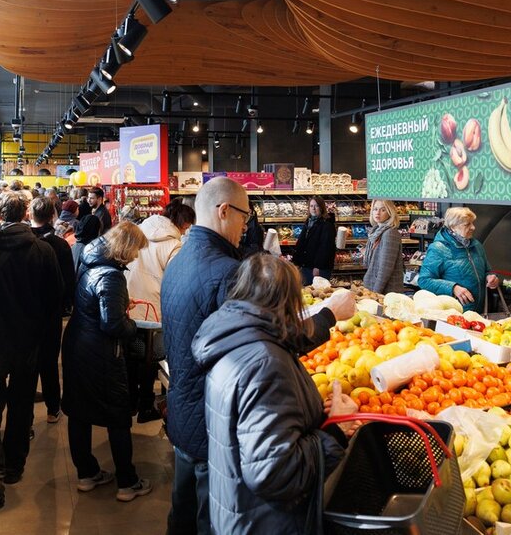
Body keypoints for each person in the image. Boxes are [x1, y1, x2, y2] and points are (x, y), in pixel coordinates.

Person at [161, 177, 354, 535]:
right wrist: (328, 315)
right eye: (244, 216)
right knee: (207, 517)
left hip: (188, 413)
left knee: (182, 513)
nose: (246, 226)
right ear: (224, 211)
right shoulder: (225, 273)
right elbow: (266, 336)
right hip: (212, 426)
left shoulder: (178, 260)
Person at [192, 254, 360, 534]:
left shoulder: (231, 337)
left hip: (238, 510)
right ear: (288, 302)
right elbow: (273, 473)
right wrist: (336, 431)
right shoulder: (266, 364)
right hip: (267, 522)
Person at [0, 192, 63, 510]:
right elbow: (55, 299)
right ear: (24, 214)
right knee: (21, 404)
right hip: (26, 343)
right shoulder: (42, 250)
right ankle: (14, 466)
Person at [61, 222, 154, 502]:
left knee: (79, 412)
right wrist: (132, 325)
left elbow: (93, 305)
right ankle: (127, 482)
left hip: (78, 344)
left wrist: (119, 304)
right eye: (136, 250)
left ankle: (87, 474)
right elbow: (112, 324)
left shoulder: (90, 260)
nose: (136, 257)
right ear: (126, 248)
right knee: (118, 415)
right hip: (102, 353)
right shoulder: (112, 276)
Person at [125, 201, 195, 422]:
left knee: (131, 355)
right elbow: (176, 283)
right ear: (182, 223)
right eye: (187, 227)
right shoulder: (174, 246)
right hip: (153, 308)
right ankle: (146, 406)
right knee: (150, 357)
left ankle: (131, 401)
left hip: (131, 302)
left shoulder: (139, 232)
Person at [29, 197, 77, 423]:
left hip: (25, 313)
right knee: (49, 362)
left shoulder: (24, 241)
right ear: (52, 216)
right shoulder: (59, 244)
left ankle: (25, 416)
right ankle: (52, 408)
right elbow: (68, 280)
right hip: (51, 312)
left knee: (26, 365)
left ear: (30, 215)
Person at [417, 207, 500, 312]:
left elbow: (487, 270)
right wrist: (453, 288)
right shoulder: (438, 249)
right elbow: (424, 280)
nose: (473, 227)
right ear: (453, 227)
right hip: (453, 314)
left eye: (472, 223)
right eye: (467, 224)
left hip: (479, 312)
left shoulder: (476, 246)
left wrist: (491, 277)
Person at [361, 199, 405, 293]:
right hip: (375, 287)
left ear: (390, 212)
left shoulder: (390, 233)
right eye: (375, 209)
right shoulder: (376, 231)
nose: (378, 213)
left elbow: (385, 268)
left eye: (383, 210)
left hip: (386, 291)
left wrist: (375, 293)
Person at [291, 196, 337, 281]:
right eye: (311, 206)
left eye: (316, 206)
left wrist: (318, 267)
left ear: (322, 208)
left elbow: (326, 247)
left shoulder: (327, 225)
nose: (313, 208)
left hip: (318, 268)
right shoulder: (308, 222)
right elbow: (302, 243)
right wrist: (296, 262)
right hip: (307, 265)